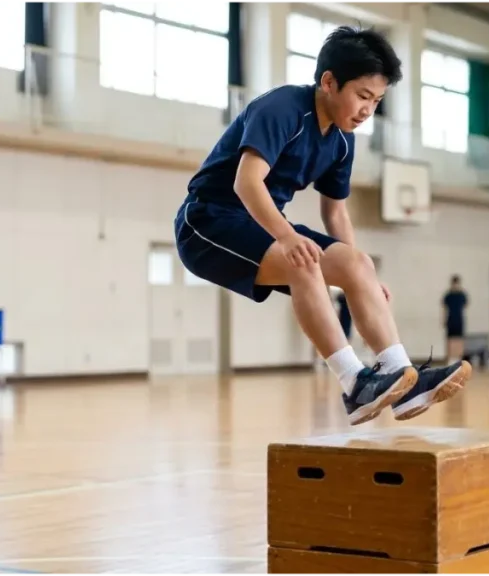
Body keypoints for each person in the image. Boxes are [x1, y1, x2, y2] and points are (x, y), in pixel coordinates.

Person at [173, 26, 471, 425]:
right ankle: (355, 384)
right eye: (362, 96)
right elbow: (246, 182)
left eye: (377, 101)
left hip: (259, 223)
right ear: (329, 82)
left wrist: (361, 278)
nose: (368, 110)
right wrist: (286, 236)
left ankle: (403, 380)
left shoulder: (343, 140)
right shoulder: (282, 108)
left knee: (358, 264)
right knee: (303, 261)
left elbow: (335, 214)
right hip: (207, 222)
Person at [442, 275, 467, 364]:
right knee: (449, 340)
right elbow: (444, 308)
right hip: (450, 319)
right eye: (454, 284)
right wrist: (443, 320)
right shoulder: (448, 295)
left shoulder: (462, 295)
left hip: (459, 320)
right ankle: (449, 359)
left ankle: (460, 359)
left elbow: (465, 305)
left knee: (460, 339)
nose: (455, 286)